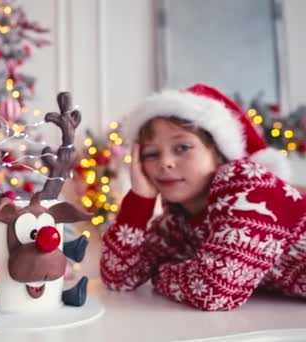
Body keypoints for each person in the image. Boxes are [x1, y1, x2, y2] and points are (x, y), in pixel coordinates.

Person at [100, 83, 306, 311]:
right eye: (151, 154)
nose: (165, 162)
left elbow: (214, 291)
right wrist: (140, 199)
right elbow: (118, 277)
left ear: (218, 154)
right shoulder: (176, 220)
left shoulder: (247, 182)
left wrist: (160, 275)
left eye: (183, 147)